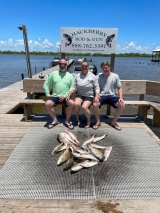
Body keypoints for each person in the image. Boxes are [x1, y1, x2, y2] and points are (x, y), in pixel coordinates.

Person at [66, 61, 100, 129]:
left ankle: (89, 121)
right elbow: (73, 87)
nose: (84, 68)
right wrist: (69, 95)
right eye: (83, 66)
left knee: (84, 107)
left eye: (86, 66)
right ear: (81, 67)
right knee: (76, 104)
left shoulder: (93, 76)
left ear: (88, 67)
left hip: (89, 95)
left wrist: (96, 96)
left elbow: (97, 88)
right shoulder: (77, 76)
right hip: (79, 94)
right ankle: (77, 119)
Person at [93, 61, 125, 130]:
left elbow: (120, 88)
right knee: (95, 104)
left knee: (122, 105)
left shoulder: (115, 76)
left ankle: (113, 122)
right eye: (103, 68)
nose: (105, 69)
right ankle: (98, 121)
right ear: (101, 68)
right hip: (101, 96)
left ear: (109, 67)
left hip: (112, 96)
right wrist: (96, 95)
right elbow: (95, 86)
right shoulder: (98, 76)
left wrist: (121, 98)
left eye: (106, 68)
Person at [43, 59, 75, 129]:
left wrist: (66, 96)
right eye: (61, 64)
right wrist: (48, 94)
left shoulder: (70, 76)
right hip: (55, 96)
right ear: (59, 65)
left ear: (66, 65)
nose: (62, 66)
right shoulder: (53, 74)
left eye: (64, 64)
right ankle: (55, 120)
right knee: (47, 104)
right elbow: (46, 83)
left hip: (66, 96)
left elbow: (73, 88)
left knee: (72, 103)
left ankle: (67, 121)